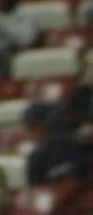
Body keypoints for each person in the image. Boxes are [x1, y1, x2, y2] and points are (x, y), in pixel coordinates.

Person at [25, 44, 93, 185]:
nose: (91, 71)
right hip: (78, 147)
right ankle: (37, 201)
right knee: (38, 157)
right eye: (88, 67)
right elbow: (70, 117)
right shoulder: (82, 93)